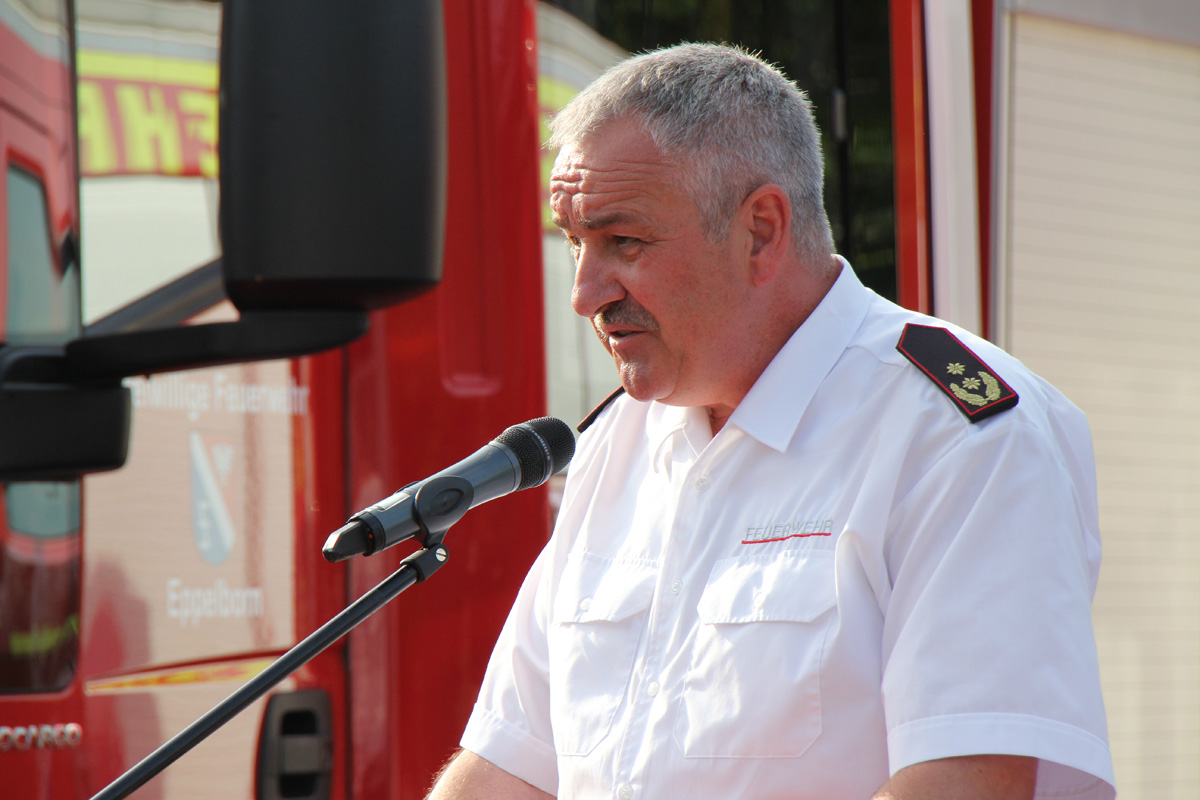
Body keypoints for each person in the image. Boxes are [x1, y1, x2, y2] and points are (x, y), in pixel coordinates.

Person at [427, 43, 1115, 800]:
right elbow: (509, 766)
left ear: (760, 230)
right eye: (574, 243)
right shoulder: (618, 441)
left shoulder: (958, 435)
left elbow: (962, 782)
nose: (585, 293)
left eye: (624, 241)